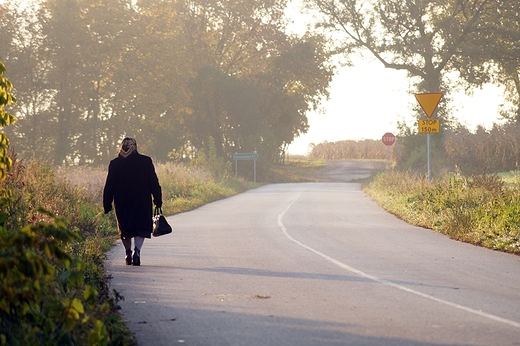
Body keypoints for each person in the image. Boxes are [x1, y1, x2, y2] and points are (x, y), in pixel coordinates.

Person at [103, 137, 162, 266]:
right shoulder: (145, 161)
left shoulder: (115, 163)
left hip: (122, 200)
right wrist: (157, 199)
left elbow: (109, 185)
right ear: (135, 146)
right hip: (142, 200)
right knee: (140, 226)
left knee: (125, 228)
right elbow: (153, 182)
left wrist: (107, 203)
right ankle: (137, 251)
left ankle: (128, 252)